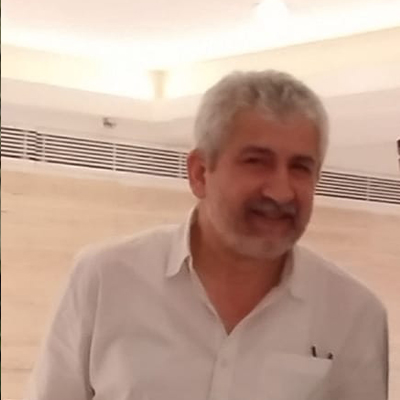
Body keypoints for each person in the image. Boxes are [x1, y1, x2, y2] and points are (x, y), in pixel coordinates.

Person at [26, 70, 388, 400]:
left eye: (300, 167)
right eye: (256, 161)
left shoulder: (353, 314)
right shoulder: (105, 278)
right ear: (200, 173)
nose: (281, 191)